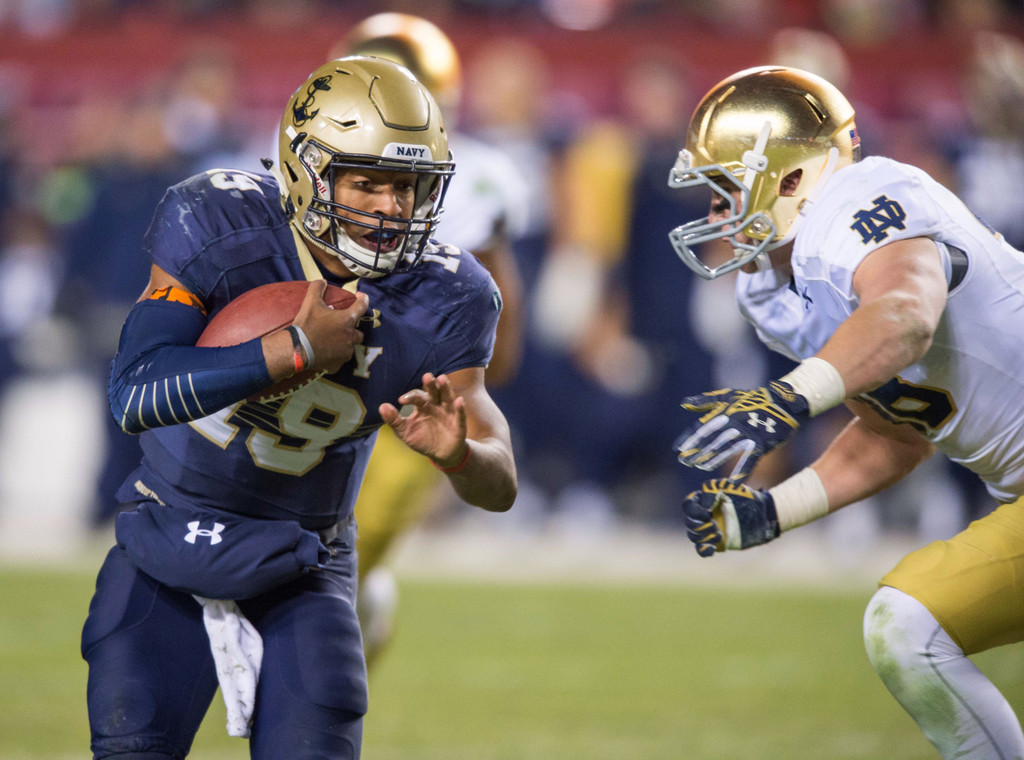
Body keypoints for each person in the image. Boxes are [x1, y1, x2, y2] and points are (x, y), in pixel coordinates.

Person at [81, 56, 517, 759]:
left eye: (406, 186)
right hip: (168, 536)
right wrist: (286, 352)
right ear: (306, 170)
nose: (389, 208)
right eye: (366, 181)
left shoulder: (450, 291)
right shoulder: (219, 221)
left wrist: (462, 454)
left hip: (304, 559)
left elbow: (501, 483)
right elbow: (134, 390)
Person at [669, 66, 1024, 759]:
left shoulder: (862, 197)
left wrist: (788, 398)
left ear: (793, 177)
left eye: (725, 189)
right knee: (909, 627)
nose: (715, 215)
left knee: (910, 627)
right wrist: (775, 510)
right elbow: (896, 436)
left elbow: (905, 315)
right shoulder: (774, 291)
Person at [330, 12, 530, 666]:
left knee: (350, 551)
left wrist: (476, 383)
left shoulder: (474, 173)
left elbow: (493, 316)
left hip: (406, 388)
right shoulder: (319, 156)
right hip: (320, 367)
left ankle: (359, 603)